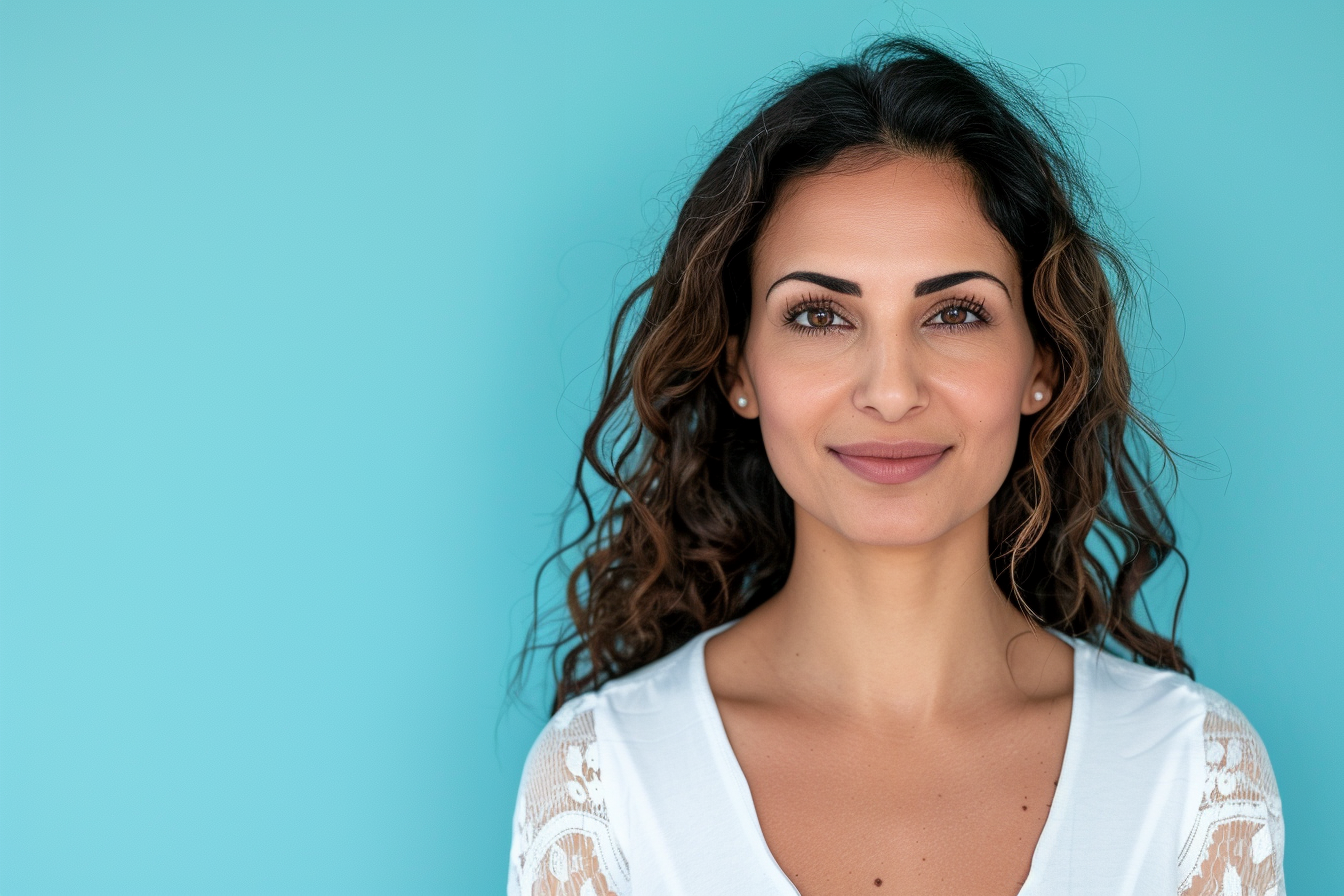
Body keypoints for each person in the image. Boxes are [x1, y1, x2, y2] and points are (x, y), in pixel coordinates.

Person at [505, 33, 1286, 896]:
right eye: (818, 317)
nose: (889, 390)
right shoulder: (604, 782)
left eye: (954, 314)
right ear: (738, 370)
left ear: (1043, 366)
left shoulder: (1191, 778)